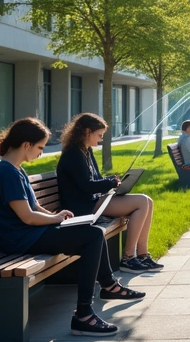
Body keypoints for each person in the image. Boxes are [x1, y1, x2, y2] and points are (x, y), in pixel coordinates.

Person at [0, 117, 141, 338]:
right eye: (40, 147)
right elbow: (28, 217)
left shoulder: (15, 169)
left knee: (93, 233)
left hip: (29, 234)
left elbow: (34, 207)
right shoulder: (7, 173)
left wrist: (56, 216)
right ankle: (85, 313)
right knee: (92, 236)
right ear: (27, 145)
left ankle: (104, 290)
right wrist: (56, 220)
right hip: (20, 239)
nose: (41, 153)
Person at [56, 113, 163, 274]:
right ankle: (128, 258)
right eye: (99, 135)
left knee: (147, 201)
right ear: (87, 132)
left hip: (93, 201)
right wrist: (110, 183)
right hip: (82, 207)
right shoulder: (73, 154)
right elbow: (86, 186)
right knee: (141, 202)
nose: (101, 139)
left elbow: (96, 179)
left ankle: (142, 255)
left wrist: (111, 181)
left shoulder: (85, 151)